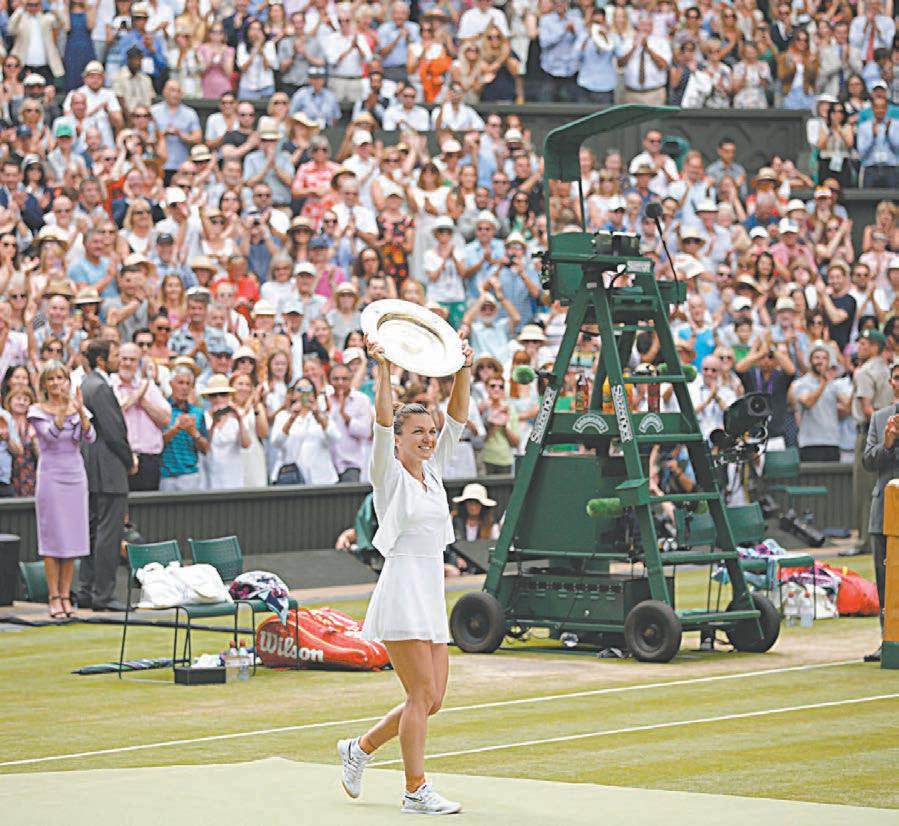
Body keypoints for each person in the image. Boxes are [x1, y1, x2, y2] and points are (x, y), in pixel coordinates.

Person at [337, 333, 472, 816]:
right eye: (418, 432)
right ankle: (415, 790)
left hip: (430, 590)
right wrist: (382, 368)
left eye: (430, 432)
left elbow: (458, 415)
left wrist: (462, 368)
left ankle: (359, 749)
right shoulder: (388, 474)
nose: (428, 438)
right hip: (401, 589)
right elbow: (379, 421)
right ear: (398, 439)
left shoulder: (433, 471)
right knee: (419, 695)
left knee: (432, 700)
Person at [27, 362, 94, 618]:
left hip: (75, 475)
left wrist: (81, 412)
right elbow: (50, 436)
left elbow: (90, 437)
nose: (57, 383)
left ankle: (66, 595)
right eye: (52, 379)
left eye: (61, 378)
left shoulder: (77, 407)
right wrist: (65, 411)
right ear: (44, 384)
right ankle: (53, 596)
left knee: (73, 537)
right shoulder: (37, 410)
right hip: (51, 476)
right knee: (53, 537)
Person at [78, 339, 132, 612]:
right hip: (107, 469)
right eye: (115, 355)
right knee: (108, 534)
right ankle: (103, 595)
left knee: (93, 532)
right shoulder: (99, 386)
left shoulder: (88, 383)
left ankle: (87, 591)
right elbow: (114, 432)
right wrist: (129, 459)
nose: (119, 360)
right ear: (101, 360)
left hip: (93, 468)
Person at [861, 360, 899, 664]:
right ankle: (888, 640)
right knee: (885, 579)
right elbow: (868, 461)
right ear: (891, 383)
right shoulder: (879, 417)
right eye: (897, 378)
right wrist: (887, 445)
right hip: (885, 510)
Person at [850, 328, 892, 556]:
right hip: (892, 432)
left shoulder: (864, 372)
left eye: (864, 343)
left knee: (865, 489)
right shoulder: (888, 369)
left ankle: (865, 541)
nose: (860, 347)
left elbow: (867, 409)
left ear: (876, 347)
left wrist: (880, 425)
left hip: (869, 433)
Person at [788, 341, 845, 462]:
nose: (820, 361)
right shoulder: (801, 383)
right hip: (810, 443)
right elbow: (808, 402)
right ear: (810, 360)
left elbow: (848, 407)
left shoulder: (833, 384)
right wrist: (823, 382)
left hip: (832, 442)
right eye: (817, 358)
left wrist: (856, 386)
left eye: (824, 358)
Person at [161, 364, 208, 491]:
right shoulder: (161, 409)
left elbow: (205, 449)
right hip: (165, 475)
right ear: (171, 384)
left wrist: (194, 433)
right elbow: (156, 444)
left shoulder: (198, 412)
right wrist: (176, 429)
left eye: (188, 384)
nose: (184, 387)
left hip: (190, 475)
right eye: (180, 383)